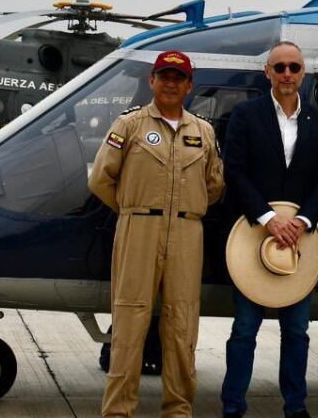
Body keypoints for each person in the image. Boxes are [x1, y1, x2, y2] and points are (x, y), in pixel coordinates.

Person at [87, 50, 225, 418]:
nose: (170, 82)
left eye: (178, 78)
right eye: (163, 75)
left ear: (189, 85)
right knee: (130, 321)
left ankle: (178, 410)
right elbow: (100, 179)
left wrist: (184, 209)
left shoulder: (203, 132)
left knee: (182, 323)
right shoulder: (129, 125)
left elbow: (214, 186)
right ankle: (118, 410)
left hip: (186, 231)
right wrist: (134, 209)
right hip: (138, 229)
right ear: (152, 81)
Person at [220, 41, 318, 418]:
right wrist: (269, 218)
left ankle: (295, 407)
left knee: (297, 332)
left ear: (303, 73)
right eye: (280, 67)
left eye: (294, 68)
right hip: (253, 235)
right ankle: (233, 405)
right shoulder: (245, 115)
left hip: (299, 241)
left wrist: (301, 221)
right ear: (267, 72)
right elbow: (234, 171)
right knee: (244, 330)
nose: (287, 74)